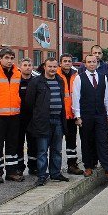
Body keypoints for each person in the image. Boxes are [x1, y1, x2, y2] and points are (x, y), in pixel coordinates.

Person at [72, 54, 108, 179]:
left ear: (97, 63)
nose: (92, 64)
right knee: (87, 141)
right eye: (89, 62)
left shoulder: (103, 77)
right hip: (86, 115)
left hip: (100, 114)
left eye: (94, 62)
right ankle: (88, 166)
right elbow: (76, 98)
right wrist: (77, 116)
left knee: (103, 142)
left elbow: (106, 97)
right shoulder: (79, 78)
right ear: (85, 64)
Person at [25, 58, 69, 186]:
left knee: (57, 149)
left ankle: (55, 173)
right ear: (44, 66)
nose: (52, 69)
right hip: (43, 121)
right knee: (42, 150)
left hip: (58, 120)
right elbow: (29, 102)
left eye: (55, 66)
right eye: (50, 66)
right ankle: (42, 175)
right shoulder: (36, 82)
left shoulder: (60, 80)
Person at [0, 48, 24, 183]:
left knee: (13, 145)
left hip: (14, 116)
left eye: (12, 58)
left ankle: (11, 172)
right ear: (0, 59)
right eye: (7, 58)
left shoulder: (18, 74)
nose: (9, 61)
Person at [57, 54, 83, 175]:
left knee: (72, 142)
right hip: (59, 114)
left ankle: (72, 165)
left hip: (72, 115)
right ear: (60, 63)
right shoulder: (56, 75)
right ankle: (55, 168)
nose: (67, 63)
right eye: (65, 61)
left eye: (69, 61)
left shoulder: (76, 75)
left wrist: (78, 114)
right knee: (56, 142)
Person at [16, 57, 37, 176]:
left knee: (33, 144)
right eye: (25, 65)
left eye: (29, 65)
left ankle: (33, 167)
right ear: (20, 67)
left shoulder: (36, 81)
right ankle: (19, 167)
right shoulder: (16, 81)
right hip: (18, 118)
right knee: (18, 144)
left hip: (33, 118)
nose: (27, 67)